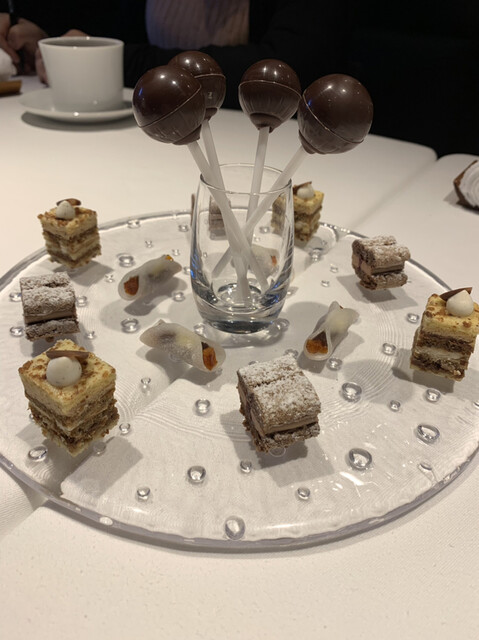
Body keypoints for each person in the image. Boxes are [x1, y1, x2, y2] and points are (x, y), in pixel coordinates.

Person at [0, 0, 352, 108]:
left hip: (268, 141)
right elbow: (103, 32)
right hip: (153, 132)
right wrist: (46, 41)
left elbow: (288, 69)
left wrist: (112, 60)